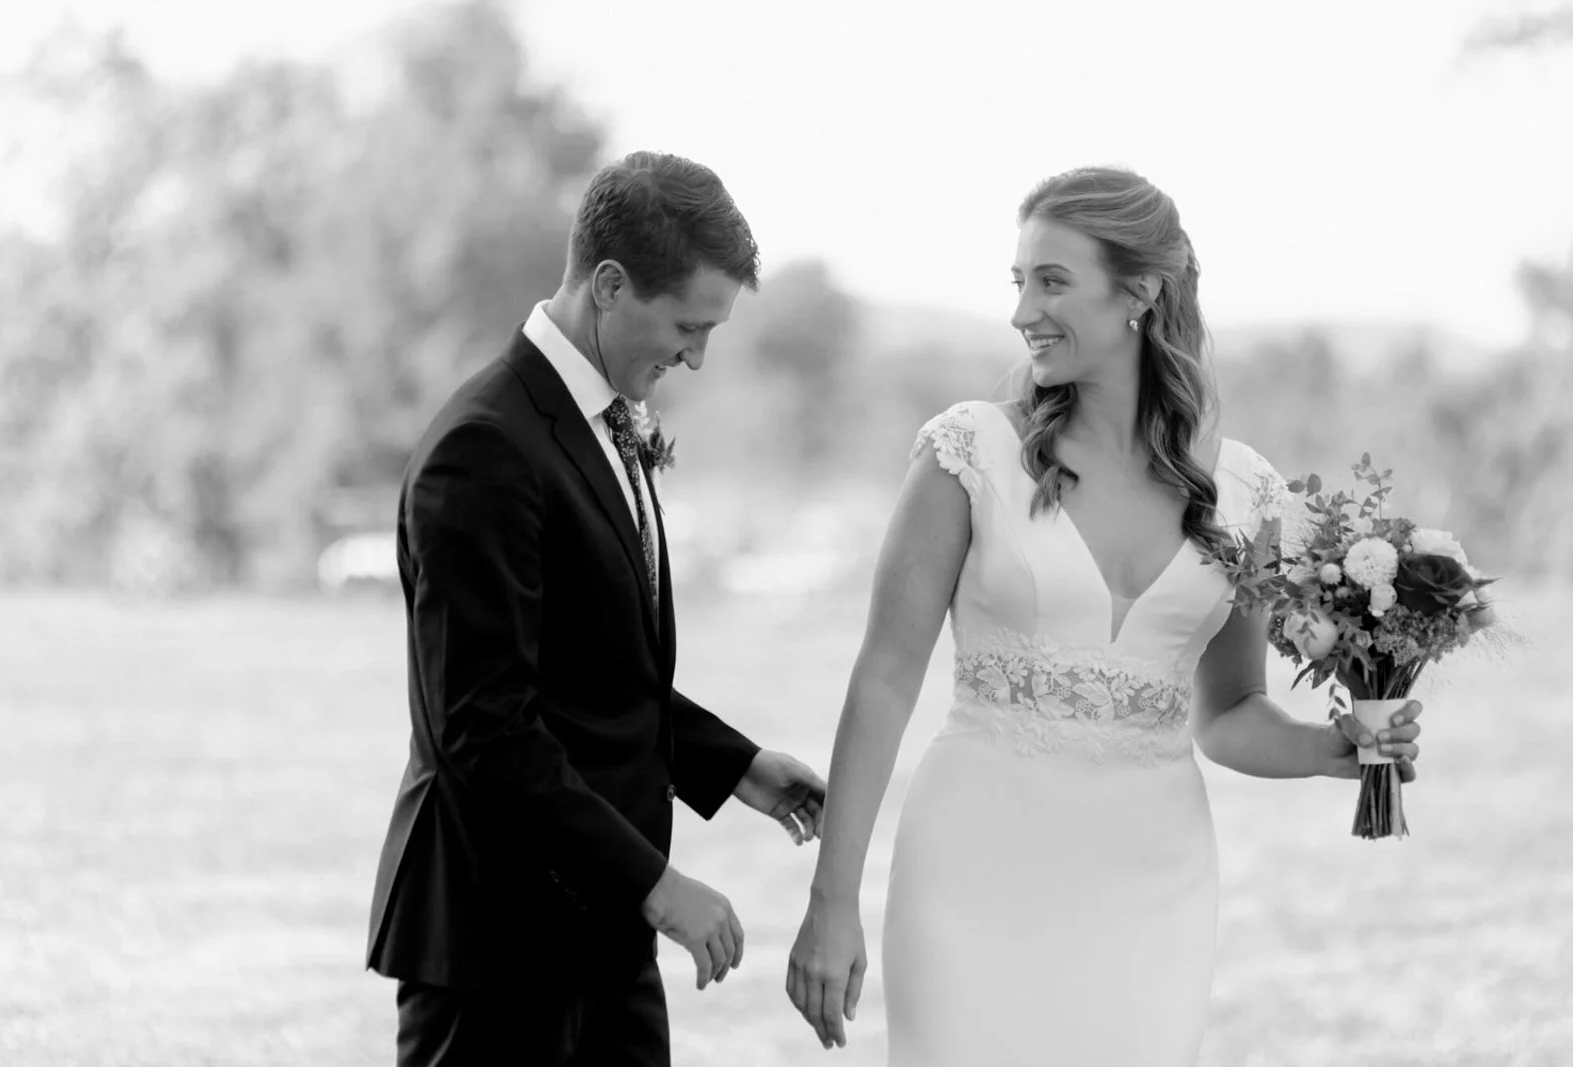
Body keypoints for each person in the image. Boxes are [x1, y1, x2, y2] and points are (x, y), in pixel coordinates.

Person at [785, 166, 1424, 1065]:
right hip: (973, 867)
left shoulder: (1242, 490)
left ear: (1140, 292)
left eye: (1051, 281)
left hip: (1150, 883)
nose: (1021, 311)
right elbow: (884, 682)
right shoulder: (972, 452)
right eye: (1019, 282)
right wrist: (831, 899)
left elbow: (1229, 713)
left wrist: (1340, 749)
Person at [366, 150, 827, 1067]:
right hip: (494, 944)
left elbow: (590, 668)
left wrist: (733, 765)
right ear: (610, 286)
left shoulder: (605, 419)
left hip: (600, 937)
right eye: (688, 326)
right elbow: (484, 728)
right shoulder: (484, 447)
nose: (696, 356)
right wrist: (658, 886)